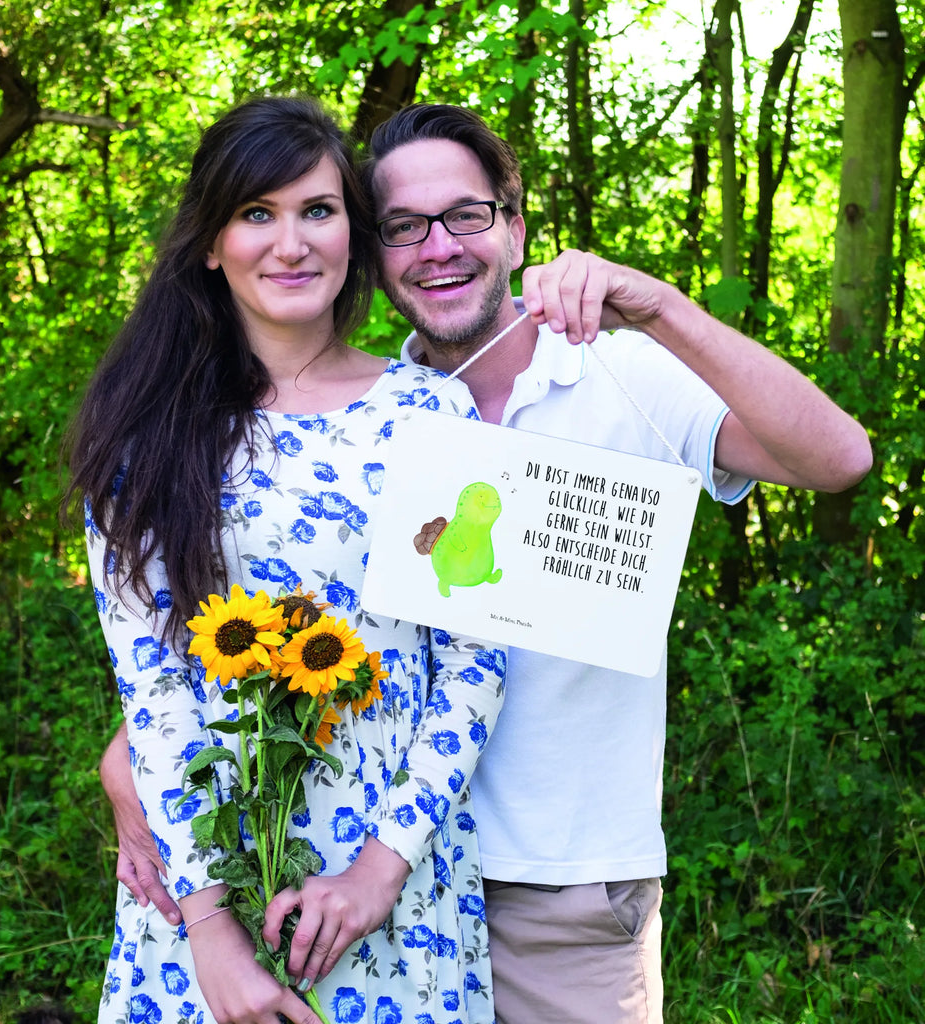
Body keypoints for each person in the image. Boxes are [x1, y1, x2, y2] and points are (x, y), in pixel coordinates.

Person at [102, 102, 873, 1024]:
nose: (438, 247)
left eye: (465, 215)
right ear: (376, 251)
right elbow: (234, 632)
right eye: (403, 227)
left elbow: (839, 461)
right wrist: (136, 769)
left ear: (513, 226)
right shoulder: (361, 416)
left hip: (553, 888)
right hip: (322, 875)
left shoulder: (614, 373)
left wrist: (660, 306)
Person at [66, 96, 508, 1024]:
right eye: (256, 214)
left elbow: (476, 659)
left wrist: (379, 872)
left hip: (393, 889)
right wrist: (212, 935)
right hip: (204, 887)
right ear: (210, 244)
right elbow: (153, 691)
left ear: (353, 229)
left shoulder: (431, 414)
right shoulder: (147, 437)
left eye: (318, 210)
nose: (291, 242)